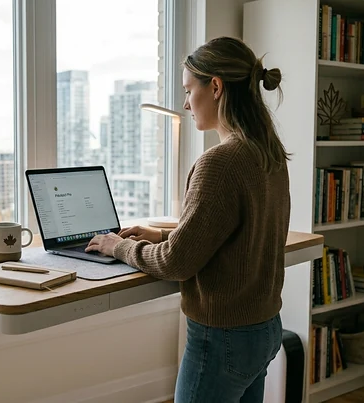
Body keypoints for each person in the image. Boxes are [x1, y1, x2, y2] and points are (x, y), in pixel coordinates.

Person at [85, 36, 291, 403]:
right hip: (263, 328)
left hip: (224, 339)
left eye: (188, 89)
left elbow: (176, 261)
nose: (185, 103)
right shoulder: (268, 153)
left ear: (215, 87)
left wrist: (120, 247)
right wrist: (162, 231)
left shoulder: (221, 162)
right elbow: (230, 230)